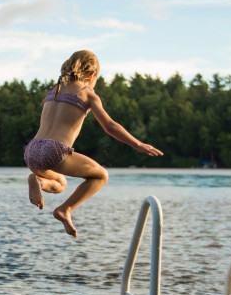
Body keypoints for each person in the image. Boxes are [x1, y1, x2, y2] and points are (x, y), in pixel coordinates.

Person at [24, 50, 163, 237]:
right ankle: (65, 210)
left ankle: (39, 182)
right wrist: (137, 144)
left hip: (32, 149)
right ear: (91, 74)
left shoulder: (53, 89)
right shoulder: (87, 92)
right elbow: (110, 126)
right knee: (101, 176)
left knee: (61, 183)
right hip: (54, 149)